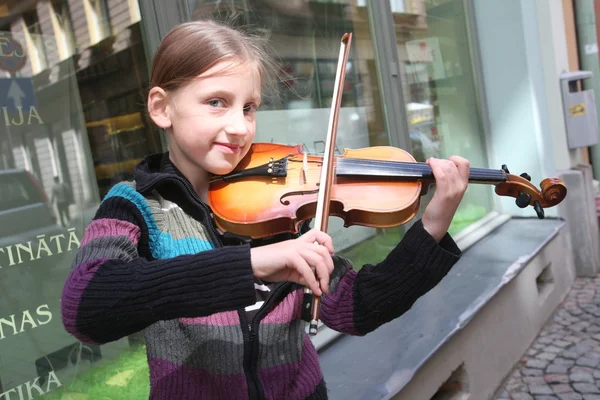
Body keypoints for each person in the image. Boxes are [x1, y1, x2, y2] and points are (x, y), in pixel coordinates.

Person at [61, 19, 470, 400]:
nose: (240, 126)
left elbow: (355, 308)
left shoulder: (274, 203)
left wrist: (431, 228)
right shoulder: (135, 205)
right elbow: (85, 306)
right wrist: (250, 263)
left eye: (249, 107)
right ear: (161, 107)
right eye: (217, 102)